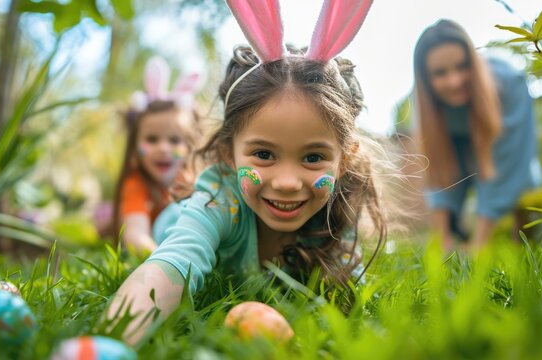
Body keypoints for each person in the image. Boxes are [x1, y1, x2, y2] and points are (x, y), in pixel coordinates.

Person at [107, 0, 389, 345]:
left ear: (344, 160)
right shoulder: (219, 201)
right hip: (172, 222)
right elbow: (168, 268)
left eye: (313, 157)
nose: (287, 183)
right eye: (264, 154)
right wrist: (114, 344)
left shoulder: (334, 213)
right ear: (229, 153)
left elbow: (350, 293)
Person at [412, 19, 541, 251]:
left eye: (462, 66)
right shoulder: (424, 103)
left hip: (507, 152)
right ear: (426, 79)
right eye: (440, 73)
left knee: (526, 191)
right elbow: (440, 168)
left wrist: (479, 247)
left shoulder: (509, 83)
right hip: (460, 148)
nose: (454, 81)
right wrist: (443, 243)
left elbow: (508, 163)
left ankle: (523, 250)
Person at [111, 56, 202, 256]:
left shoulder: (193, 182)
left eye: (174, 141)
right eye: (152, 140)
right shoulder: (136, 185)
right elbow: (135, 236)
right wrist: (167, 260)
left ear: (189, 146)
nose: (163, 148)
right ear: (134, 147)